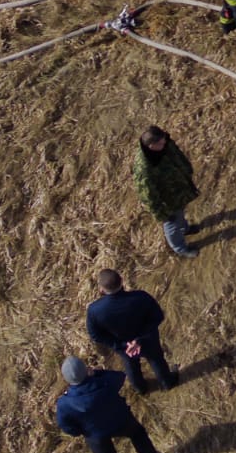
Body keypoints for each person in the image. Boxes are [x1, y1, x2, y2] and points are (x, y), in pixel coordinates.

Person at [55, 356, 166, 453]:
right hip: (120, 419)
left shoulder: (64, 403)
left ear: (67, 379)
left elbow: (66, 425)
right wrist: (98, 373)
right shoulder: (104, 382)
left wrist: (82, 431)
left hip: (94, 434)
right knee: (138, 435)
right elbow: (119, 377)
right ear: (86, 370)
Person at [86, 270, 178, 393]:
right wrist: (139, 339)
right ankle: (167, 382)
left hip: (123, 346)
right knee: (156, 359)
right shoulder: (141, 297)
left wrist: (120, 345)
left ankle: (140, 388)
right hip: (147, 339)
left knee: (130, 364)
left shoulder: (94, 310)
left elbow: (95, 335)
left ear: (101, 289)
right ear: (122, 280)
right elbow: (158, 316)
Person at [134, 125, 201, 258]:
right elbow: (148, 197)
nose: (165, 144)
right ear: (151, 146)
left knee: (180, 212)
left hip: (178, 189)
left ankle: (185, 229)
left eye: (164, 140)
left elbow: (176, 153)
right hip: (167, 201)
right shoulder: (144, 169)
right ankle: (180, 248)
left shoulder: (163, 143)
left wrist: (187, 169)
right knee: (172, 224)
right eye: (161, 143)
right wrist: (162, 214)